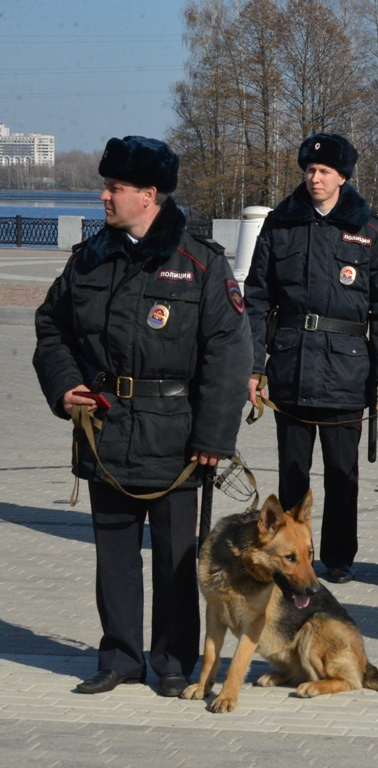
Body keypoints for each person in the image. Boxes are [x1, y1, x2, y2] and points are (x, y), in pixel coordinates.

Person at [33, 136, 250, 696]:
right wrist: (64, 387)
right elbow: (51, 327)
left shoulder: (200, 261)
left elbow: (229, 352)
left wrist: (214, 436)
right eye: (106, 186)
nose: (104, 196)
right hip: (105, 429)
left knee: (177, 559)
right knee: (114, 556)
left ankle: (174, 662)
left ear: (148, 195)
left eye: (115, 188)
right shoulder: (89, 258)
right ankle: (120, 657)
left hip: (177, 437)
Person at [244, 133, 378, 585]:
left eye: (325, 172)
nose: (315, 178)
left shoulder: (370, 229)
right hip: (291, 366)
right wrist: (253, 367)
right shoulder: (281, 224)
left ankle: (338, 556)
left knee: (342, 473)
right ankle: (291, 556)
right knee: (293, 474)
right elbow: (255, 300)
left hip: (347, 369)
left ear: (343, 177)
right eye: (310, 171)